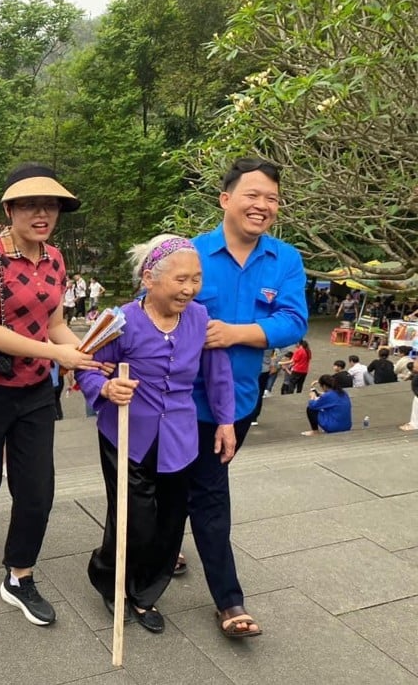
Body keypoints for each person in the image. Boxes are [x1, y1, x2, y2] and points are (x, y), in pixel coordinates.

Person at [0, 163, 100, 627]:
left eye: (51, 205)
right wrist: (58, 354)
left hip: (35, 391)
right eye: (32, 205)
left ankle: (19, 576)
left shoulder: (54, 258)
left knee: (37, 490)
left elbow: (56, 323)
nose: (43, 213)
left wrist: (87, 353)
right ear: (10, 208)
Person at [77, 235, 234, 634]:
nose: (189, 288)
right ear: (150, 278)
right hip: (126, 433)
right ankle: (110, 579)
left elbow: (218, 374)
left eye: (196, 279)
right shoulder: (119, 320)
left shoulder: (200, 318)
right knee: (134, 519)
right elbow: (86, 365)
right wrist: (105, 389)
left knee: (169, 521)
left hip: (180, 434)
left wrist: (226, 421)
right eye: (181, 279)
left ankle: (146, 593)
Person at [189, 158, 307, 638]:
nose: (262, 206)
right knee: (204, 494)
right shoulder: (190, 254)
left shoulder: (285, 260)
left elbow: (294, 323)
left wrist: (236, 332)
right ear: (225, 199)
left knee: (204, 488)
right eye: (253, 195)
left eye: (272, 199)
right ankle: (229, 599)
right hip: (179, 401)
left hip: (238, 402)